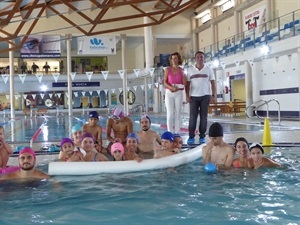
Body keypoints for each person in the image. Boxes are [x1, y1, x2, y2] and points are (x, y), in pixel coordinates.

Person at [185, 51, 216, 144]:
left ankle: (202, 136)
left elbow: (213, 83)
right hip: (193, 97)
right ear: (195, 59)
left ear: (204, 58)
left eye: (201, 57)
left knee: (204, 117)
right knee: (192, 118)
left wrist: (213, 95)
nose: (200, 59)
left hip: (205, 97)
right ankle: (191, 136)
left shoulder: (209, 69)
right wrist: (187, 95)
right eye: (198, 57)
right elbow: (187, 84)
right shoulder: (190, 70)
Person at [163, 52, 186, 134]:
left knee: (178, 114)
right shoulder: (167, 70)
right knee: (170, 113)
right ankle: (170, 132)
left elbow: (184, 83)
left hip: (178, 93)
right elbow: (165, 82)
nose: (174, 60)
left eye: (175, 58)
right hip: (169, 92)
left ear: (178, 59)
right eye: (172, 58)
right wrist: (171, 87)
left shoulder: (181, 70)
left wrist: (184, 74)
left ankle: (177, 133)